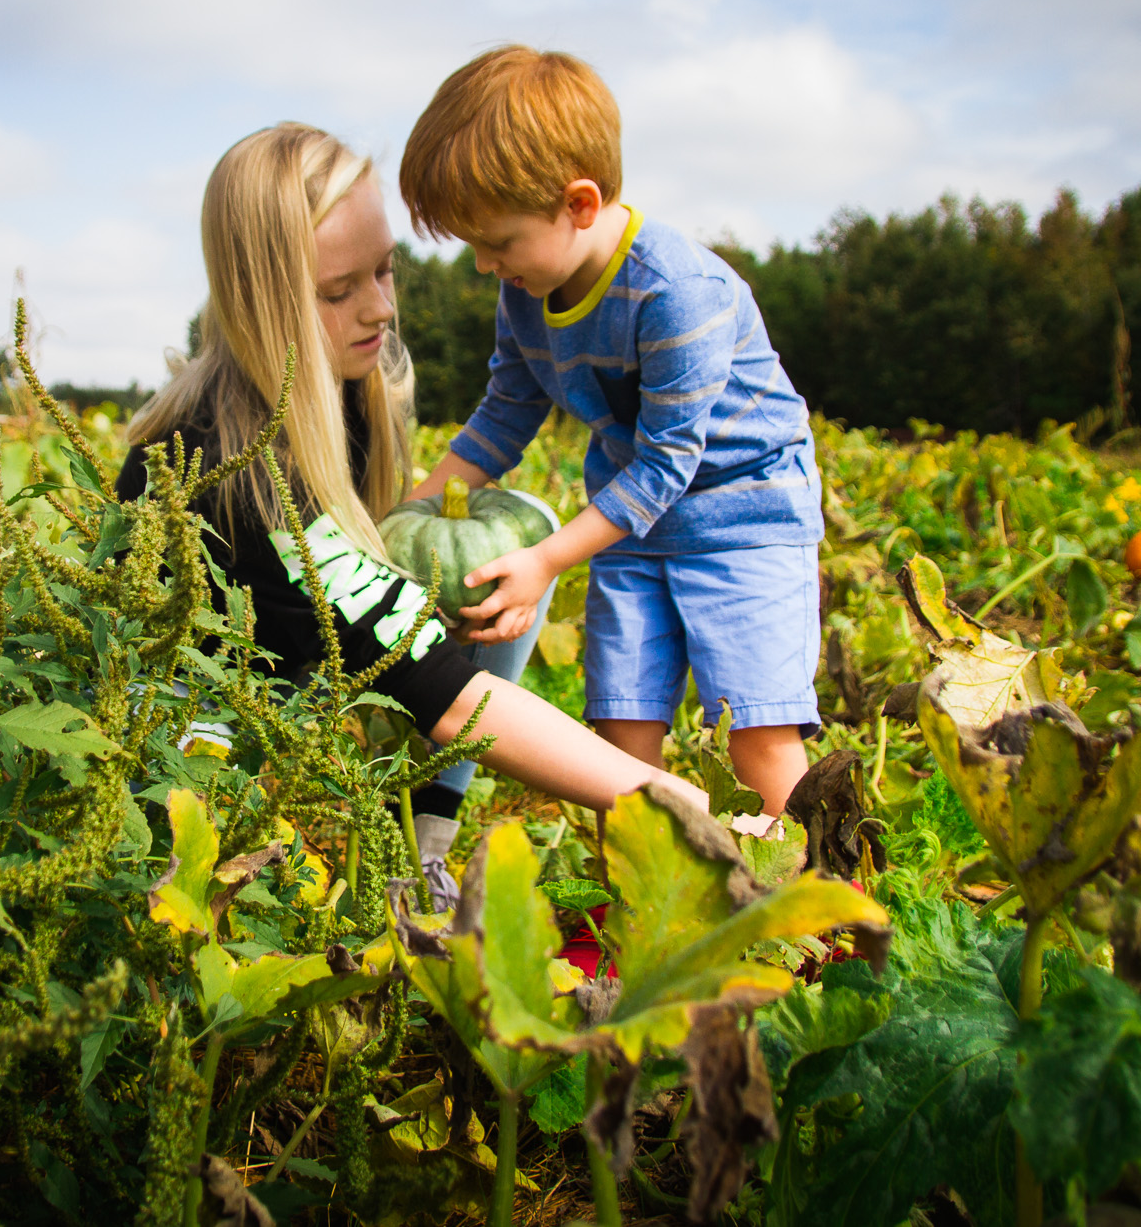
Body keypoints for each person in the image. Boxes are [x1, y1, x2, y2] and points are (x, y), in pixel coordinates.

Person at [114, 122, 707, 905]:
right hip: (186, 733)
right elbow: (451, 696)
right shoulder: (240, 468)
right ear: (263, 303)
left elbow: (382, 618)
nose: (381, 308)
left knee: (499, 541)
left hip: (290, 677)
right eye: (339, 291)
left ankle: (418, 851)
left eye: (385, 271)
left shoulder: (348, 385)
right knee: (206, 861)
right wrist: (679, 806)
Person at [398, 47, 825, 816]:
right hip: (627, 524)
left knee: (756, 728)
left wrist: (545, 560)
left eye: (496, 242)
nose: (484, 266)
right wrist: (405, 516)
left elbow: (668, 462)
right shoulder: (527, 289)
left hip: (744, 516)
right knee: (620, 723)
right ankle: (637, 903)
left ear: (580, 204)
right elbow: (505, 412)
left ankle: (807, 902)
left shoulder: (674, 293)